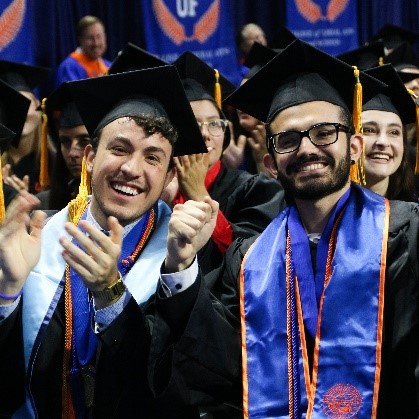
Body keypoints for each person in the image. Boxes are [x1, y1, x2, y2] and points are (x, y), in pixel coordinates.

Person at [151, 39, 419, 418]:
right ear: (271, 164)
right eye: (288, 140)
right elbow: (214, 364)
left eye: (324, 132)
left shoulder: (408, 233)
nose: (307, 149)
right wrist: (180, 267)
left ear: (354, 146)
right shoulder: (249, 261)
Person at [0, 65, 208, 418]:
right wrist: (6, 293)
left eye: (152, 157)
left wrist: (110, 291)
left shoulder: (184, 252)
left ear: (170, 174)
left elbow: (188, 383)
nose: (131, 168)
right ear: (91, 157)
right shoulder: (39, 238)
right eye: (119, 149)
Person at [170, 51, 286, 274]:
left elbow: (253, 260)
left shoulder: (253, 189)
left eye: (215, 124)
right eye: (193, 124)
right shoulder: (155, 192)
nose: (205, 134)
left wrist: (197, 191)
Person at [362, 64, 417, 201]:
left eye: (394, 132)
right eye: (368, 130)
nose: (383, 141)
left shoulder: (414, 215)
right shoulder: (324, 216)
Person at [0, 59, 55, 194]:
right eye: (11, 107)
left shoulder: (57, 164)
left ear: (39, 107)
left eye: (26, 103)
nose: (20, 113)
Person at [36, 82, 92, 210]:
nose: (72, 153)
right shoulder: (44, 204)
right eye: (65, 141)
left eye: (84, 142)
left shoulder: (117, 205)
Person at [54, 15, 111, 88]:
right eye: (90, 38)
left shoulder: (109, 66)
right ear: (80, 40)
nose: (96, 43)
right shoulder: (68, 68)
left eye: (99, 36)